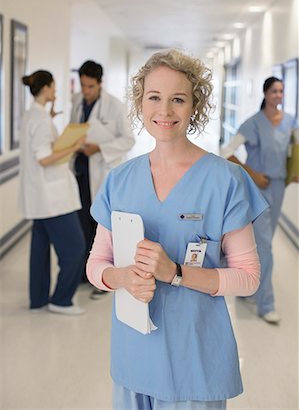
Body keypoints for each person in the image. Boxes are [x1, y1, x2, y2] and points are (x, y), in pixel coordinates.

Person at [86, 49, 268, 410]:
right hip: (134, 354)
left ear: (195, 107)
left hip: (195, 359)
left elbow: (248, 278)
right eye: (154, 97)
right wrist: (120, 277)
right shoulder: (119, 181)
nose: (165, 111)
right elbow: (96, 265)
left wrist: (177, 274)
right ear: (140, 103)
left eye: (178, 99)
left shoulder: (225, 180)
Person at [221, 76, 299, 324]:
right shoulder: (253, 123)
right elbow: (227, 152)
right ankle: (266, 305)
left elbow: (292, 150)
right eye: (275, 91)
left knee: (263, 242)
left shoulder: (289, 121)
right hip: (257, 189)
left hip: (279, 187)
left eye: (282, 91)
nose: (279, 95)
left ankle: (249, 286)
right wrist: (252, 174)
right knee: (265, 247)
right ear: (265, 93)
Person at [19, 70, 86, 315]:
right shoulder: (41, 121)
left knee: (40, 250)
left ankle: (38, 300)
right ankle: (61, 300)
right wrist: (75, 145)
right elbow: (45, 158)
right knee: (75, 248)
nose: (55, 91)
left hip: (39, 197)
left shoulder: (32, 115)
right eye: (54, 87)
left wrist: (51, 116)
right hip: (53, 200)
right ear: (46, 87)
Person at [70, 60, 135, 297]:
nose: (86, 91)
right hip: (80, 171)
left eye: (90, 86)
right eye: (83, 85)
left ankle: (103, 280)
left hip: (102, 171)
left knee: (101, 226)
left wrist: (98, 148)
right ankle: (85, 273)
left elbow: (128, 140)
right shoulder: (77, 102)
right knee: (82, 224)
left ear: (100, 83)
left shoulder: (115, 106)